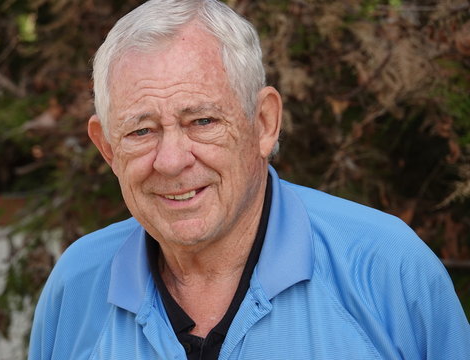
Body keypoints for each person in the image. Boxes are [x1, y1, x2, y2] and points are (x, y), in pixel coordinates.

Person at [28, 0, 470, 359]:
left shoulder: (386, 268)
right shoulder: (78, 284)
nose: (171, 160)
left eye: (201, 120)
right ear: (107, 148)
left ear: (263, 123)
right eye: (141, 131)